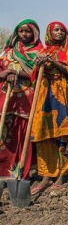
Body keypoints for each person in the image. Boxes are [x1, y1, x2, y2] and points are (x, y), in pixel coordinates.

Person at [29, 22, 68, 193]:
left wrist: (53, 62)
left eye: (62, 30)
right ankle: (45, 176)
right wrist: (39, 62)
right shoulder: (42, 51)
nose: (59, 33)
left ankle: (62, 175)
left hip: (63, 96)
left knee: (63, 136)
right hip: (44, 96)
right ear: (49, 33)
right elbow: (33, 76)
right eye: (55, 30)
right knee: (43, 135)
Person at [0, 19, 43, 181]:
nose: (24, 34)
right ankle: (2, 172)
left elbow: (38, 74)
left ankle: (19, 172)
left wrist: (15, 72)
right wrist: (6, 74)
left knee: (22, 135)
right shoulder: (7, 51)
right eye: (21, 31)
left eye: (27, 31)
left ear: (34, 33)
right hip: (6, 98)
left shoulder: (39, 53)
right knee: (5, 135)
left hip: (26, 99)